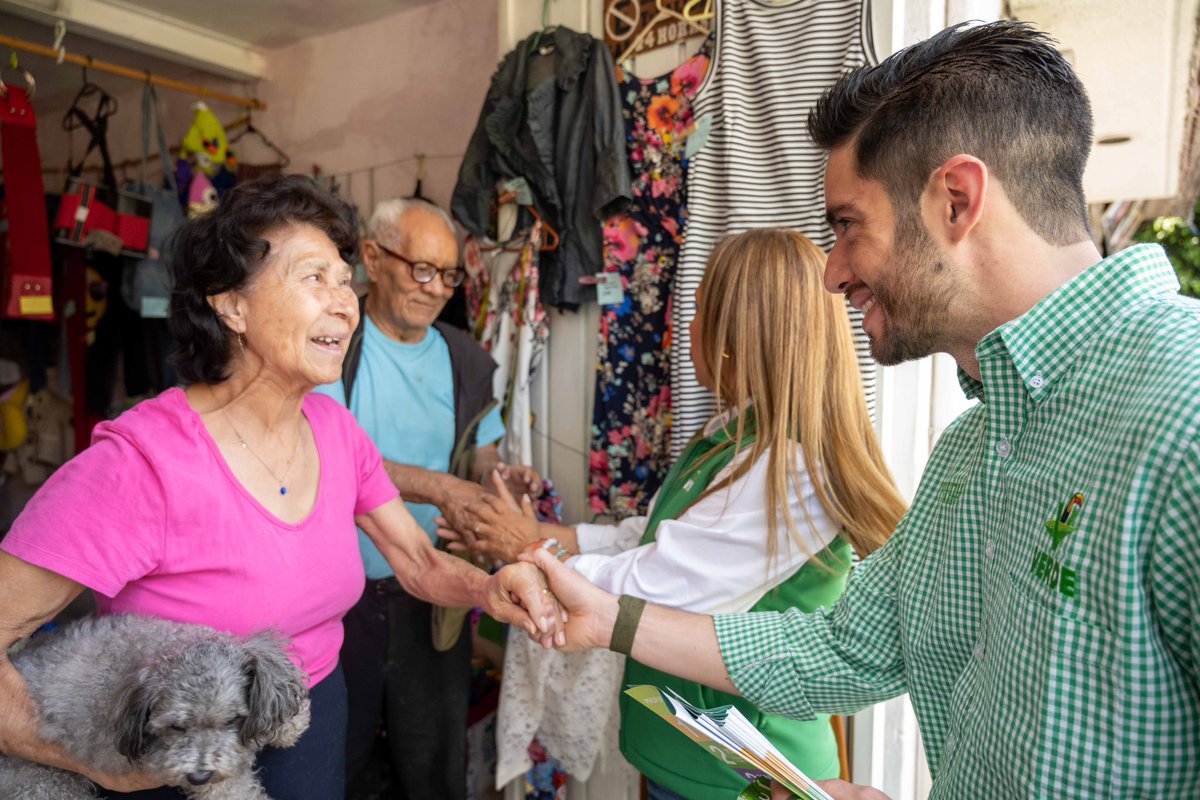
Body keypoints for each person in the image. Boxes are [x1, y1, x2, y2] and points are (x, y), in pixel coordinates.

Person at [524, 20, 1200, 800]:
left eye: (848, 226)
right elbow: (848, 649)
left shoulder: (1180, 412)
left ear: (957, 199)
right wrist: (609, 619)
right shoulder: (971, 450)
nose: (831, 273)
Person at [0, 174, 562, 800]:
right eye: (314, 277)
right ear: (230, 304)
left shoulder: (335, 430)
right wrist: (88, 762)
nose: (345, 302)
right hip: (176, 749)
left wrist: (489, 586)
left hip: (311, 717)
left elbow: (419, 562)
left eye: (346, 280)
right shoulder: (139, 465)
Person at [443, 229, 906, 800]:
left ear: (734, 337)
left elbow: (662, 586)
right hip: (683, 750)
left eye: (697, 315)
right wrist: (540, 535)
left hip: (744, 777)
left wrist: (538, 554)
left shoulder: (792, 470)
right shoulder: (729, 435)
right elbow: (656, 536)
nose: (685, 331)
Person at [312, 197, 539, 800]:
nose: (437, 288)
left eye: (449, 275)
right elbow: (328, 457)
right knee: (337, 758)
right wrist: (445, 487)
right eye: (421, 270)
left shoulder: (467, 361)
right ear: (371, 258)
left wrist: (500, 482)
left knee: (433, 762)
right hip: (338, 597)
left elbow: (481, 455)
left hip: (432, 594)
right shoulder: (331, 344)